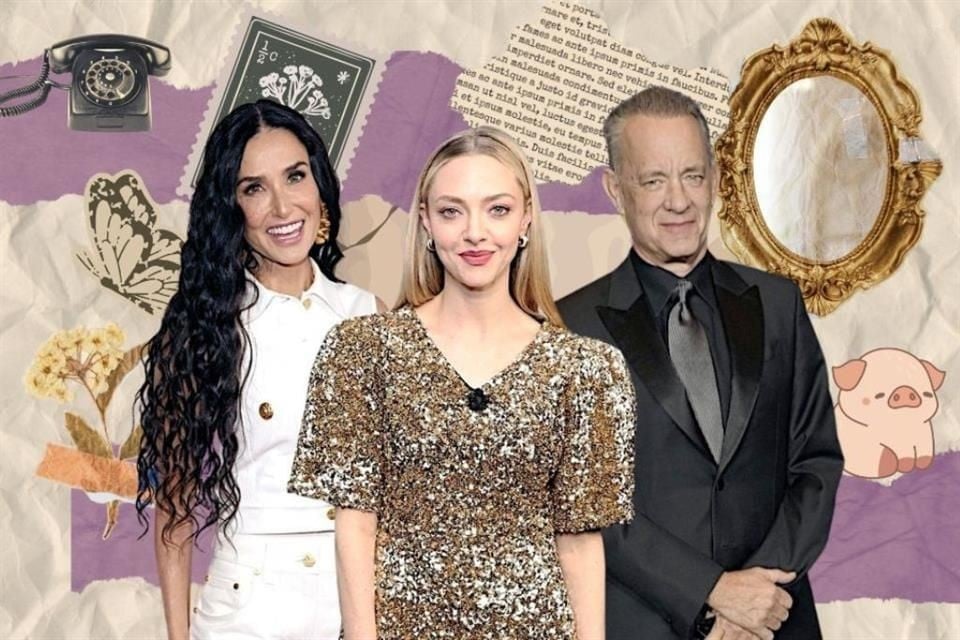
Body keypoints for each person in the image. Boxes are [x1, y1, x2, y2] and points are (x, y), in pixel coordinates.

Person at [288, 126, 636, 640]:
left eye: (497, 209)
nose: (475, 233)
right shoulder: (363, 351)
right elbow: (354, 523)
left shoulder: (586, 370)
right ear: (426, 222)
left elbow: (580, 542)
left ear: (525, 219)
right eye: (452, 211)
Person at [557, 86, 843, 640]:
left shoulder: (778, 305)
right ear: (615, 189)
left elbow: (815, 461)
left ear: (714, 178)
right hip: (645, 624)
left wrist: (755, 598)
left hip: (774, 621)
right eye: (653, 180)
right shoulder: (571, 328)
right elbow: (588, 502)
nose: (679, 201)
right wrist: (712, 592)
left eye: (692, 175)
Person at [135, 99, 382, 640]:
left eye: (295, 176)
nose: (281, 206)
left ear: (319, 185)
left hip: (361, 605)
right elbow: (174, 509)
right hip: (250, 611)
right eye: (254, 188)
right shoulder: (207, 325)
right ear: (232, 207)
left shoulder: (367, 314)